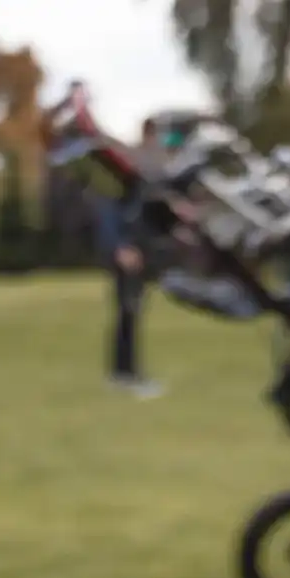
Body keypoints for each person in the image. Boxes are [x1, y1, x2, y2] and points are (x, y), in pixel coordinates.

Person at [94, 117, 169, 399]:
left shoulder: (151, 169)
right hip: (127, 253)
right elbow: (110, 209)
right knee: (128, 311)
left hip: (140, 251)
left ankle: (124, 372)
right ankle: (126, 374)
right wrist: (121, 246)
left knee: (131, 313)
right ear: (150, 135)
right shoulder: (129, 167)